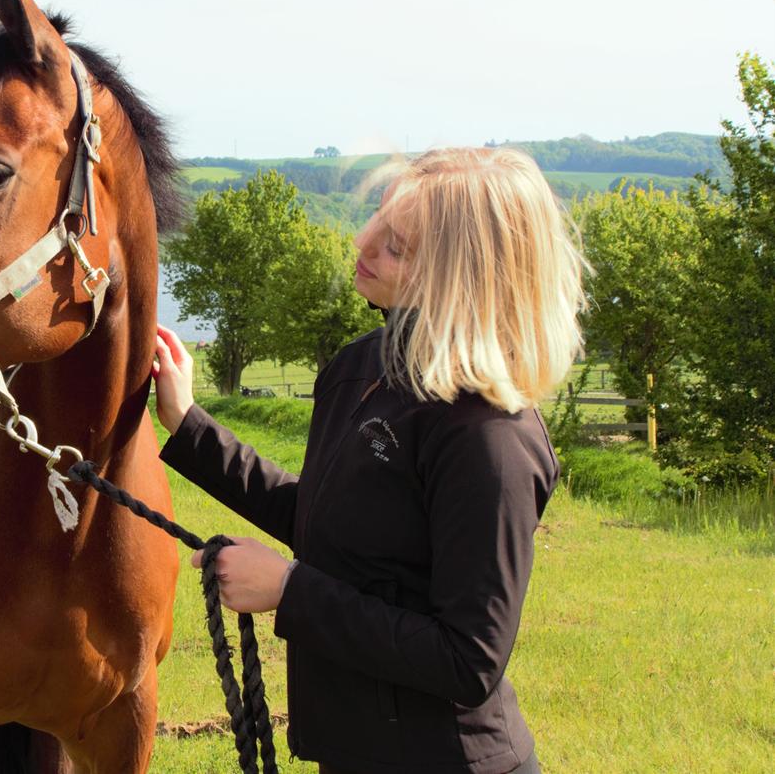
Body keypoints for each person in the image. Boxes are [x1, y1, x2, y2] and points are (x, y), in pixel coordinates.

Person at [151, 147, 586, 774]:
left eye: (396, 246)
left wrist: (289, 590)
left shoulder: (490, 437)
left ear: (459, 279)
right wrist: (187, 423)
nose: (362, 242)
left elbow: (468, 660)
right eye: (377, 221)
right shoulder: (363, 366)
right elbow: (325, 521)